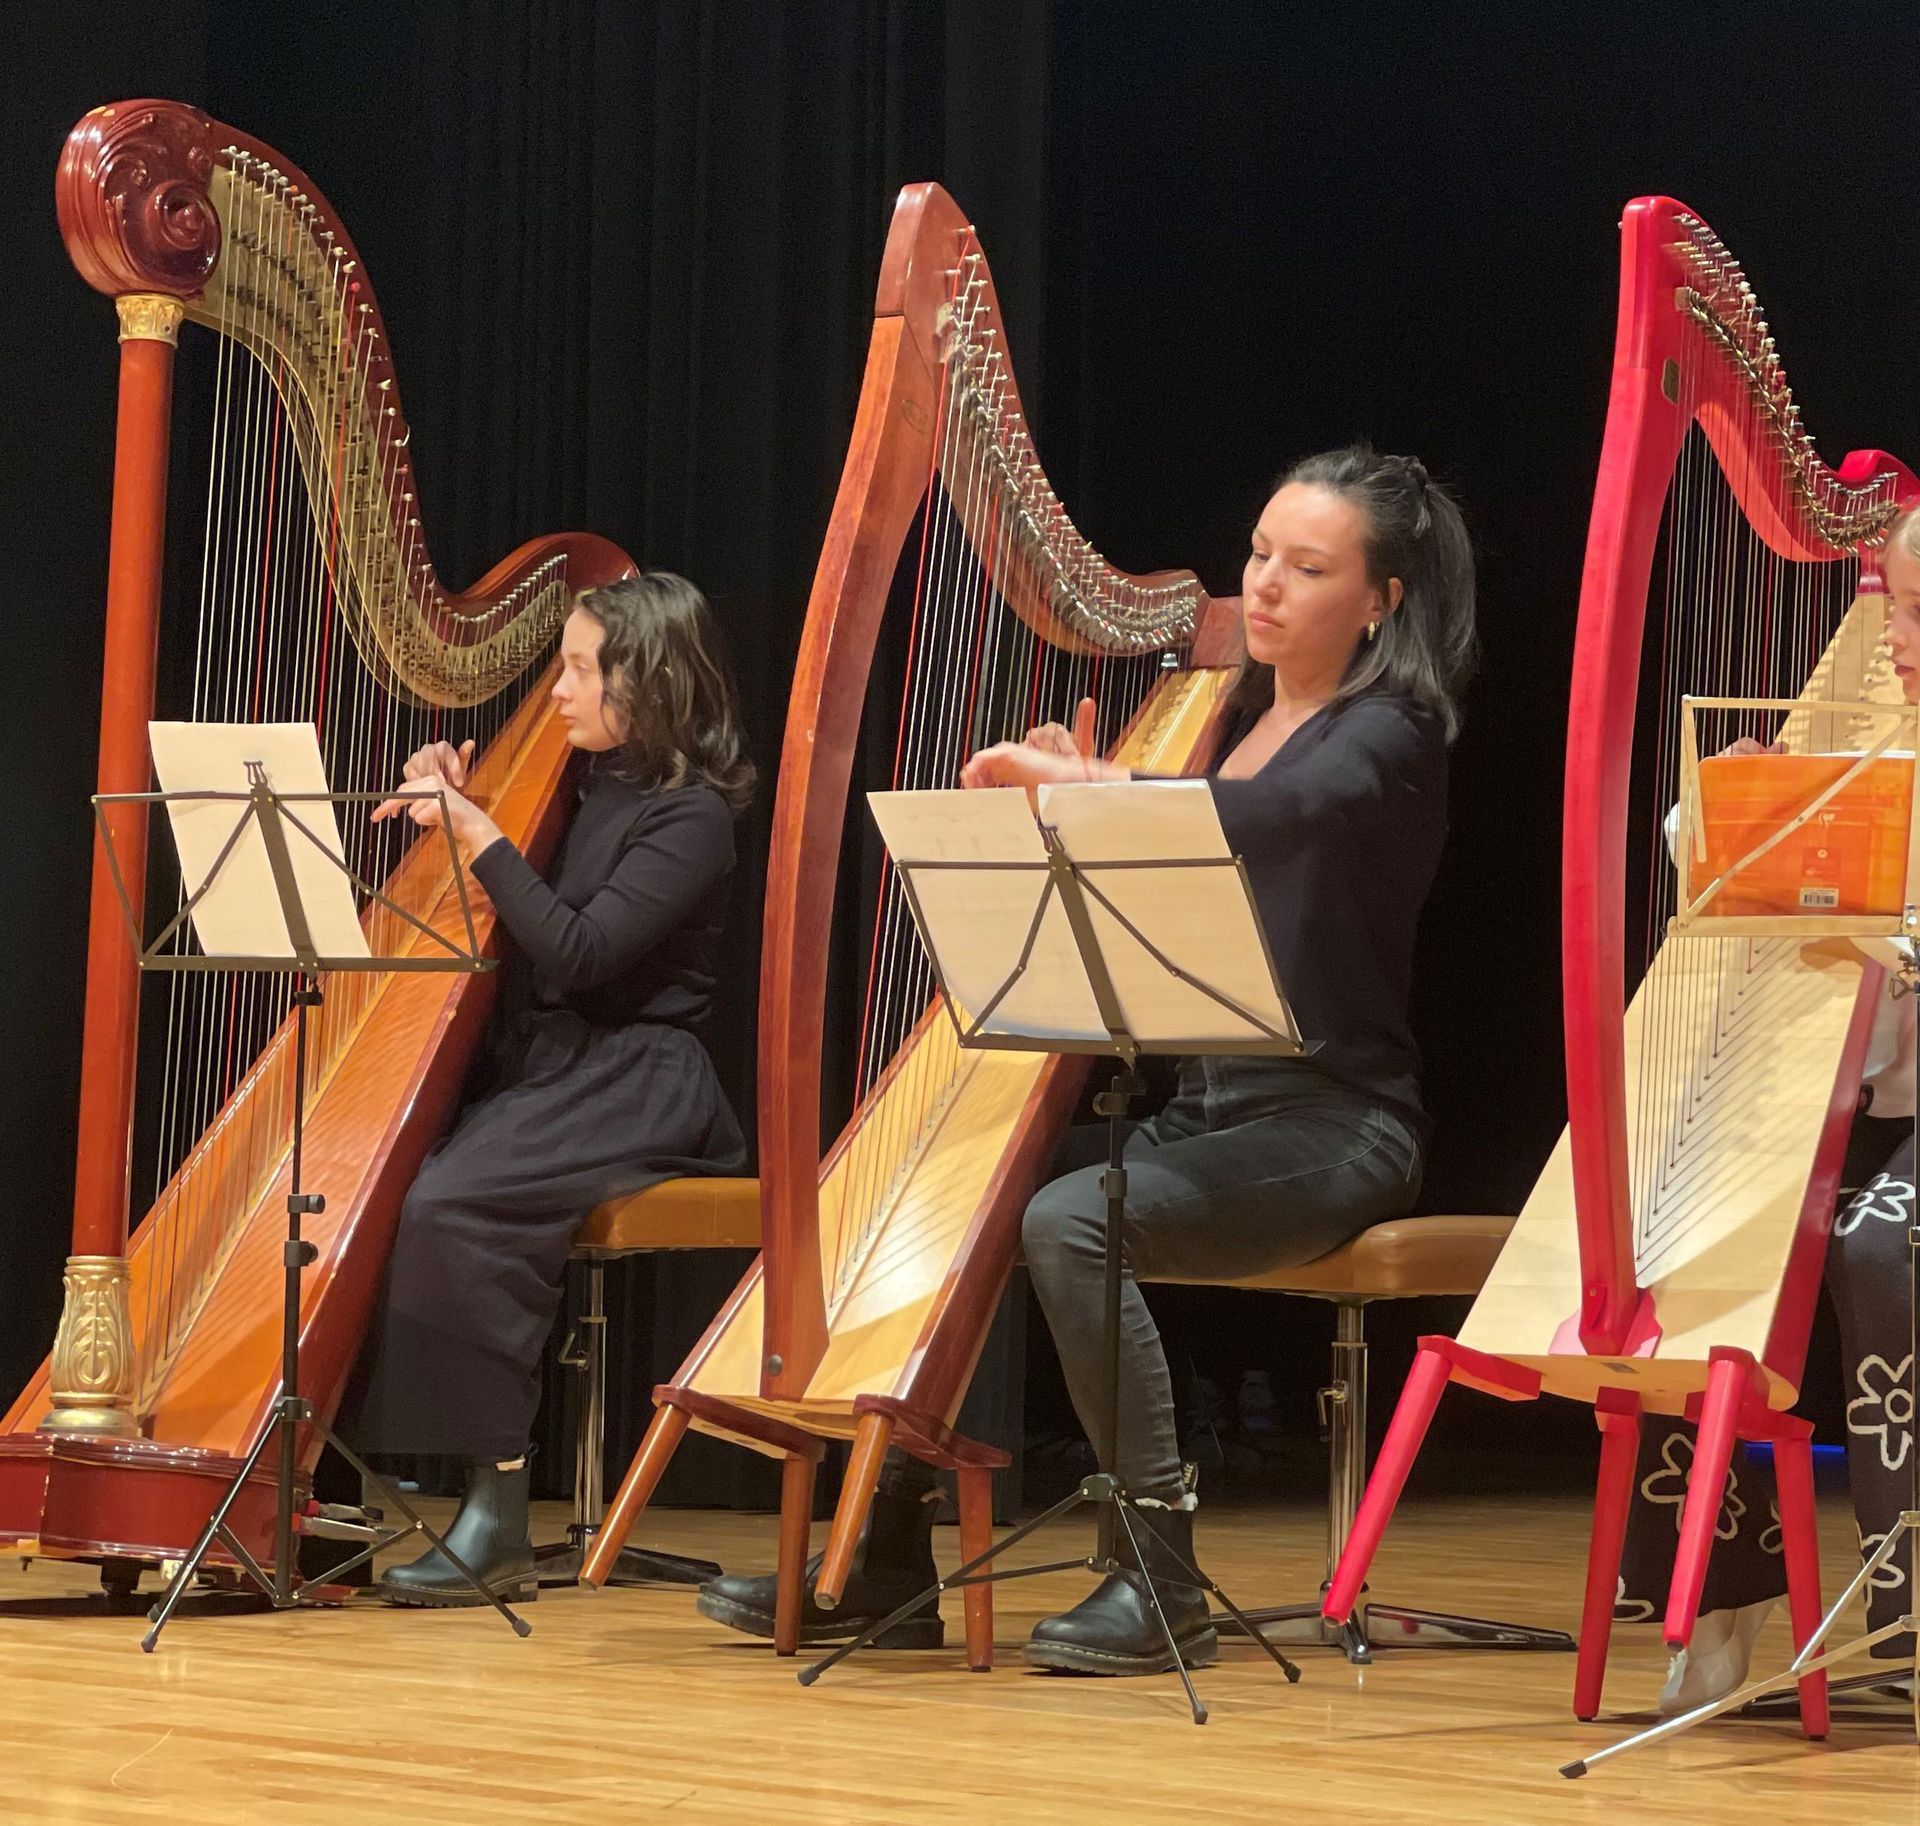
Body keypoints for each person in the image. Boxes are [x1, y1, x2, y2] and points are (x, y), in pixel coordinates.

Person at [697, 444, 1478, 1671]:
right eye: (1261, 552)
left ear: (1380, 600)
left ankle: (1158, 1569)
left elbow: (1274, 819)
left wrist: (1102, 787)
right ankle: (886, 1546)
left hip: (1335, 1127)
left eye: (1308, 566)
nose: (1264, 584)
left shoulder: (1389, 734)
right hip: (1204, 1116)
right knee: (966, 1198)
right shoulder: (1235, 715)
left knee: (1072, 1218)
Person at [348, 571, 755, 1607]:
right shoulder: (573, 779)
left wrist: (478, 834)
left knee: (455, 1199)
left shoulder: (694, 817)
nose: (561, 689)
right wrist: (464, 801)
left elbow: (578, 950)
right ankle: (335, 1483)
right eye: (563, 664)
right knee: (372, 1179)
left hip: (641, 1073)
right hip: (557, 1065)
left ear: (649, 681)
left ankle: (495, 1509)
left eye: (582, 668)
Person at [1617, 509, 1920, 1712]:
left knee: (1882, 1241)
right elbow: (1760, 902)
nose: (1897, 636)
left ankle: (1904, 1608)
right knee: (1677, 1234)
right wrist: (1734, 822)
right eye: (1893, 603)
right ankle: (1723, 1592)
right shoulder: (1874, 737)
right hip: (1864, 1112)